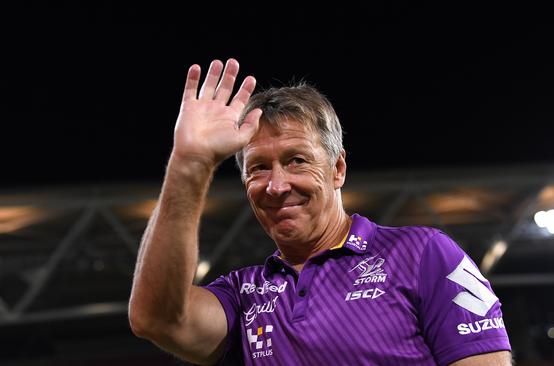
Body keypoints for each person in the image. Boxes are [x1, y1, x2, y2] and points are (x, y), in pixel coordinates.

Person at [128, 58, 512, 366]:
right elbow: (155, 319)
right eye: (258, 168)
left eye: (296, 161)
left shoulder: (423, 254)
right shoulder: (242, 297)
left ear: (338, 169)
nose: (276, 185)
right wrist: (189, 164)